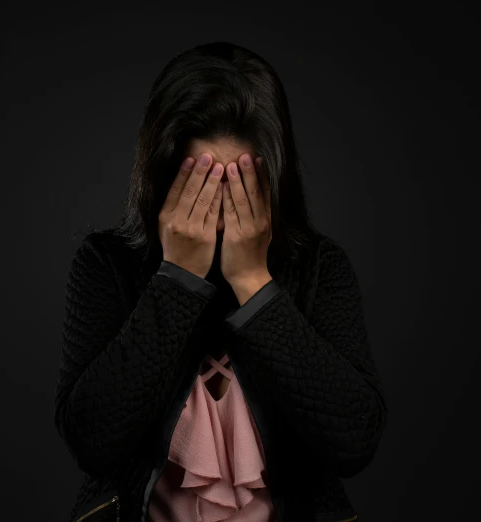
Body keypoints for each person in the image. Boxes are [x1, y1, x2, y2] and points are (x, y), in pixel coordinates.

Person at [54, 41, 389, 522]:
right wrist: (177, 280)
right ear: (164, 177)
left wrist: (255, 284)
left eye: (236, 186)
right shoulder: (107, 264)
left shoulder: (320, 268)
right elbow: (92, 443)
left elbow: (354, 444)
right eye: (199, 184)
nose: (216, 208)